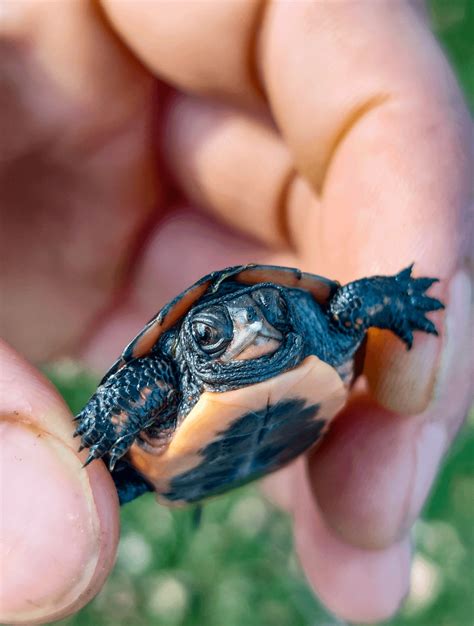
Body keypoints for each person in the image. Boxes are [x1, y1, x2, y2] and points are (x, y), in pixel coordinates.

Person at [0, 2, 472, 623]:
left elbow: (354, 302)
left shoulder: (309, 324)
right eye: (211, 332)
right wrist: (104, 425)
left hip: (287, 427)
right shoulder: (169, 373)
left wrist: (399, 301)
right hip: (182, 468)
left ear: (282, 310)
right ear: (192, 342)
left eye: (265, 312)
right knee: (105, 480)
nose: (248, 329)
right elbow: (139, 390)